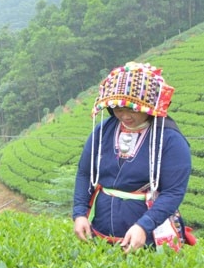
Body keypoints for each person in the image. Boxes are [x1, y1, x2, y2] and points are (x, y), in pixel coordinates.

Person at [73, 62, 194, 253]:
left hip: (150, 235)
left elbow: (173, 192)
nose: (125, 115)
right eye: (119, 109)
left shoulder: (170, 139)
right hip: (102, 229)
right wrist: (79, 214)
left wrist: (144, 226)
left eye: (133, 109)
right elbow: (85, 173)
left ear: (149, 108)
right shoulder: (102, 131)